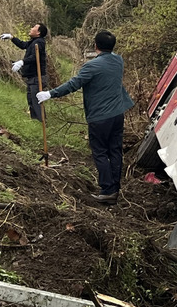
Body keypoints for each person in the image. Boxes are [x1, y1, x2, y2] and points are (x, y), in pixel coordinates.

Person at [37, 30, 135, 204]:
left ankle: (107, 190)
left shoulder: (92, 66)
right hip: (118, 114)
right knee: (115, 151)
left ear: (95, 45)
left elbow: (74, 84)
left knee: (100, 152)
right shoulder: (118, 60)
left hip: (100, 116)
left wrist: (50, 93)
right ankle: (115, 187)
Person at [1, 24, 49, 121]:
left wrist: (23, 62)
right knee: (31, 99)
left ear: (38, 32)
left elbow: (36, 57)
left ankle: (42, 121)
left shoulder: (39, 43)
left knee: (36, 100)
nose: (31, 29)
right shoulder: (33, 42)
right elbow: (23, 45)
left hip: (37, 77)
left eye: (33, 28)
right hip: (32, 77)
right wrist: (12, 37)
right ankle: (35, 120)